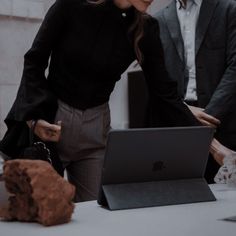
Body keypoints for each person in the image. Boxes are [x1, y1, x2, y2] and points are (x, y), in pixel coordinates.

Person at [0, 0, 199, 202]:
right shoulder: (70, 6)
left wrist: (210, 143)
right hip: (52, 126)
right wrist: (34, 118)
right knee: (45, 213)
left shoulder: (146, 28)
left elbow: (164, 92)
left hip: (96, 135)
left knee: (97, 217)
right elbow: (34, 61)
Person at [155, 0, 236, 183]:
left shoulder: (228, 9)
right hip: (177, 125)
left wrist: (208, 117)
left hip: (222, 122)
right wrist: (184, 114)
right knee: (183, 202)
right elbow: (159, 82)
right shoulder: (158, 19)